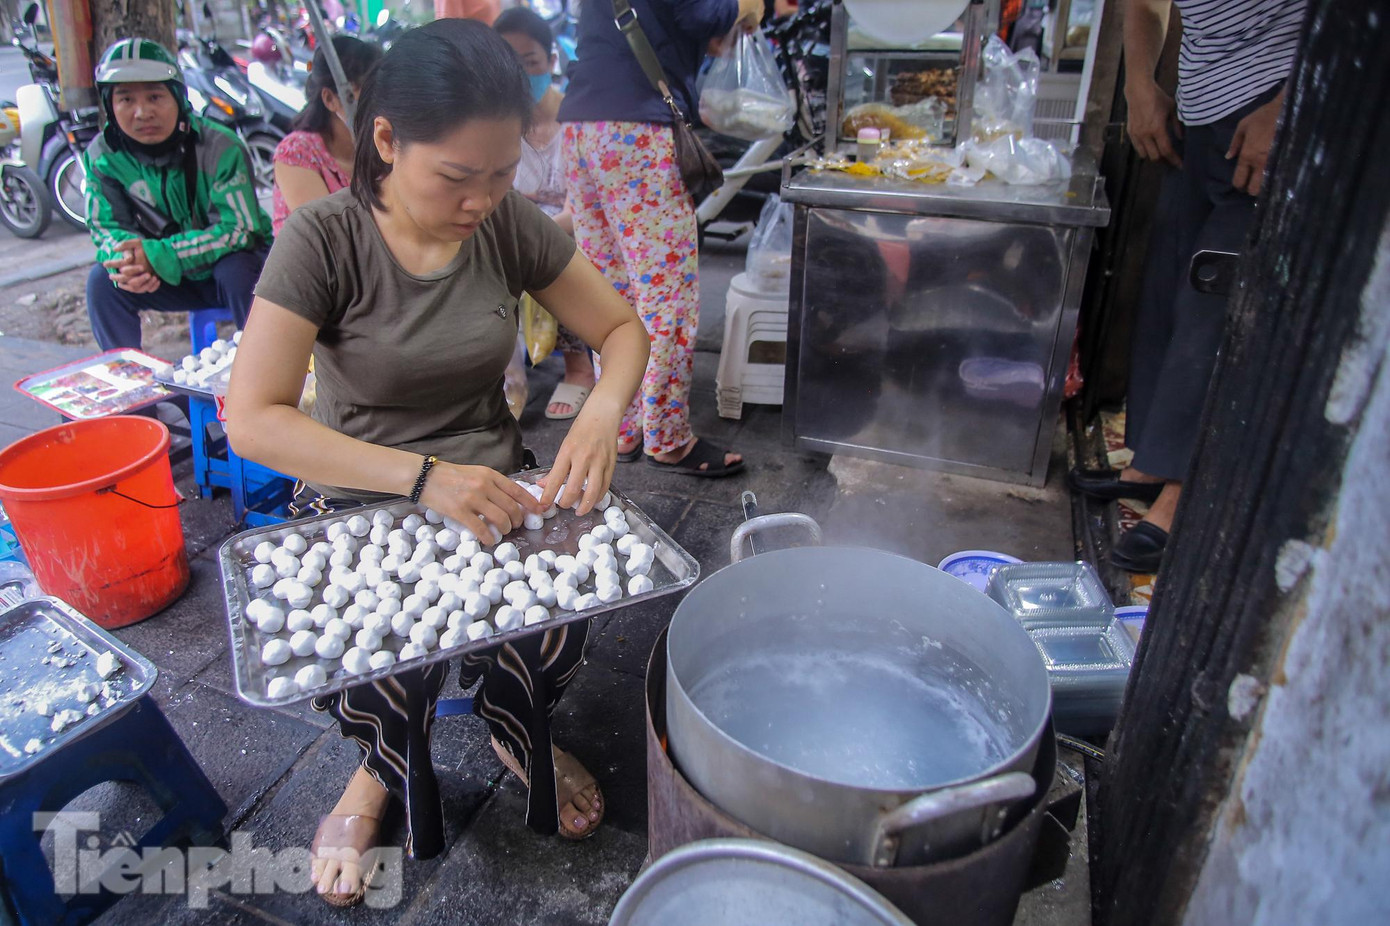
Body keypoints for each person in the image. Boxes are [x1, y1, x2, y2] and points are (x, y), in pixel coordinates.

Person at [223, 20, 650, 907]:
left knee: (549, 628)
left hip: (494, 486)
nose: (482, 200)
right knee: (375, 658)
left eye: (501, 176)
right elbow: (253, 421)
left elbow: (619, 329)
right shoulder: (325, 241)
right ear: (386, 140)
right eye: (458, 176)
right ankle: (379, 769)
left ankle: (514, 726)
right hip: (362, 499)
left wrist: (602, 413)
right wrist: (421, 478)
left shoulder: (504, 226)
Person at [1068, 0, 1306, 572]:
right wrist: (1142, 85)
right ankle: (1152, 462)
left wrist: (1290, 104)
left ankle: (1188, 489)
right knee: (1173, 282)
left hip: (1269, 105)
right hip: (1200, 110)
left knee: (1219, 300)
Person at [557, 0, 760, 476]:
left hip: (581, 125)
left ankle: (623, 427)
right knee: (666, 295)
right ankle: (666, 437)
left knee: (607, 291)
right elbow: (697, 15)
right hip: (636, 129)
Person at [83, 39, 272, 351]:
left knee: (238, 269)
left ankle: (266, 378)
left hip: (227, 274)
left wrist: (159, 256)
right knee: (102, 284)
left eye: (155, 96)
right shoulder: (101, 157)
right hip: (162, 280)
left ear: (179, 97)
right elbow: (104, 229)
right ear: (109, 105)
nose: (142, 112)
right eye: (126, 99)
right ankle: (137, 396)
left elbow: (240, 229)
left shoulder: (221, 147)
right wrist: (127, 262)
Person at [494, 7, 597, 421]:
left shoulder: (578, 119)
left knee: (560, 254)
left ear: (551, 61)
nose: (520, 74)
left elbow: (581, 209)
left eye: (530, 62)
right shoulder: (498, 124)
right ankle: (503, 373)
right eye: (509, 62)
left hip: (566, 228)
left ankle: (579, 368)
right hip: (519, 229)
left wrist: (530, 238)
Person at [271, 36, 382, 235]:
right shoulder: (297, 153)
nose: (379, 104)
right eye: (366, 93)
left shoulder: (381, 146)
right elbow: (328, 236)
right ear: (330, 99)